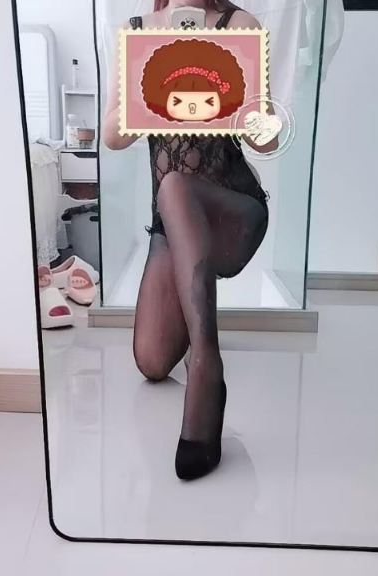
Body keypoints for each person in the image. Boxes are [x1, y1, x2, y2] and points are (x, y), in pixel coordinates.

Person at [103, 0, 277, 481]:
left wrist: (244, 107)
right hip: (172, 222)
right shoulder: (136, 32)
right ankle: (192, 319)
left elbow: (265, 139)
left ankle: (206, 366)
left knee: (175, 185)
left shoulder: (239, 25)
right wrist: (152, 98)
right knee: (152, 361)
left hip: (231, 210)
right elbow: (111, 135)